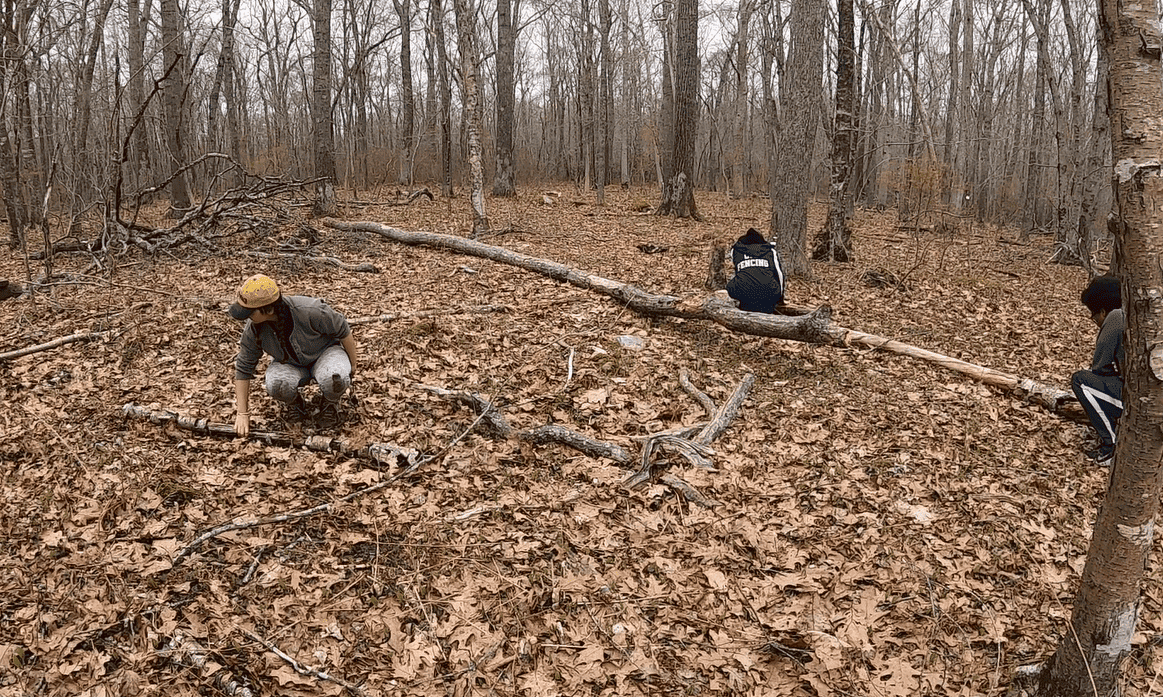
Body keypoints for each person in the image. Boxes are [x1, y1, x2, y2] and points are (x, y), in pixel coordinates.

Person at [229, 274, 357, 436]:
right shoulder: (254, 328)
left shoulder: (310, 310)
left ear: (268, 309)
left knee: (335, 376)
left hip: (326, 354)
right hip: (289, 363)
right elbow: (243, 367)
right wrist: (242, 413)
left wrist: (352, 364)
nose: (247, 317)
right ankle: (295, 404)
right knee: (275, 383)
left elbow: (343, 329)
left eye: (250, 312)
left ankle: (330, 403)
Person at [1071, 275, 1124, 464]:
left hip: (1144, 400)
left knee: (1081, 380)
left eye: (1093, 316)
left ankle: (1111, 446)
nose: (1094, 321)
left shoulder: (1115, 317)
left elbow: (1100, 367)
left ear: (1102, 311)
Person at [726, 228, 785, 313]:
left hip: (742, 292)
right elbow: (779, 275)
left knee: (735, 281)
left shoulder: (736, 250)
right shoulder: (770, 251)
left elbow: (738, 271)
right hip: (769, 292)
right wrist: (780, 297)